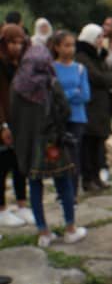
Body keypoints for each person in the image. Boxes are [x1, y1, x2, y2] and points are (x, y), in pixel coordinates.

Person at [9, 45, 87, 248]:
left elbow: (13, 115)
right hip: (53, 142)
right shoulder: (51, 83)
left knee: (35, 185)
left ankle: (43, 233)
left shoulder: (17, 85)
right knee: (63, 183)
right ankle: (70, 229)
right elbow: (65, 110)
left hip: (28, 142)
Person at [50, 31, 90, 198]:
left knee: (73, 155)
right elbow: (52, 95)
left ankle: (72, 192)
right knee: (57, 154)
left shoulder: (80, 69)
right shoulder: (52, 68)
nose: (70, 49)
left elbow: (85, 95)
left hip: (77, 117)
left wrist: (64, 94)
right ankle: (60, 191)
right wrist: (73, 92)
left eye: (72, 45)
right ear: (57, 47)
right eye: (66, 45)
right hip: (57, 118)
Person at [0, 24, 32, 228]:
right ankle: (2, 209)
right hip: (4, 121)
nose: (16, 47)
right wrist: (2, 125)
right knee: (2, 166)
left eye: (20, 42)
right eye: (12, 42)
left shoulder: (22, 63)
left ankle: (22, 204)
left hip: (20, 120)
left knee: (20, 165)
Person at [75, 24, 112, 191]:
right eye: (98, 37)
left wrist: (108, 78)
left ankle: (97, 177)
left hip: (101, 105)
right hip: (91, 105)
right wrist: (109, 78)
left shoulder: (99, 56)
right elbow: (98, 78)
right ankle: (88, 178)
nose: (101, 40)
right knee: (88, 143)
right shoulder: (82, 56)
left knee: (98, 143)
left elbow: (107, 76)